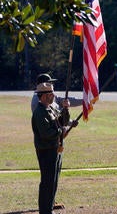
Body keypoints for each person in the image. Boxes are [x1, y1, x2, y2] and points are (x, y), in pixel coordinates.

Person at [31, 82, 78, 214]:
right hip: (46, 151)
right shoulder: (40, 112)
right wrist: (60, 132)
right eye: (51, 93)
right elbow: (46, 134)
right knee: (47, 182)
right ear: (44, 96)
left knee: (53, 181)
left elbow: (62, 121)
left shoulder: (50, 108)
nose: (54, 95)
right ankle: (45, 211)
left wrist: (66, 109)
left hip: (55, 149)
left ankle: (49, 207)